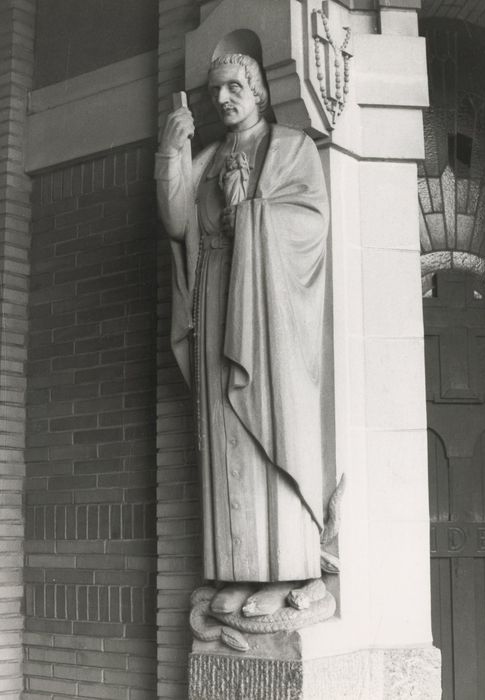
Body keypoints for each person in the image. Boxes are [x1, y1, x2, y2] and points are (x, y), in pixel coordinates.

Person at [155, 53, 330, 617]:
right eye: (214, 91)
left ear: (257, 90)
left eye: (234, 86)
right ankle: (236, 569)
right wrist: (171, 151)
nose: (224, 98)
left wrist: (252, 217)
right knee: (222, 438)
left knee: (266, 430)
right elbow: (178, 222)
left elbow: (310, 220)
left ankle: (285, 572)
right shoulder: (206, 159)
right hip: (216, 306)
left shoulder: (292, 148)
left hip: (268, 311)